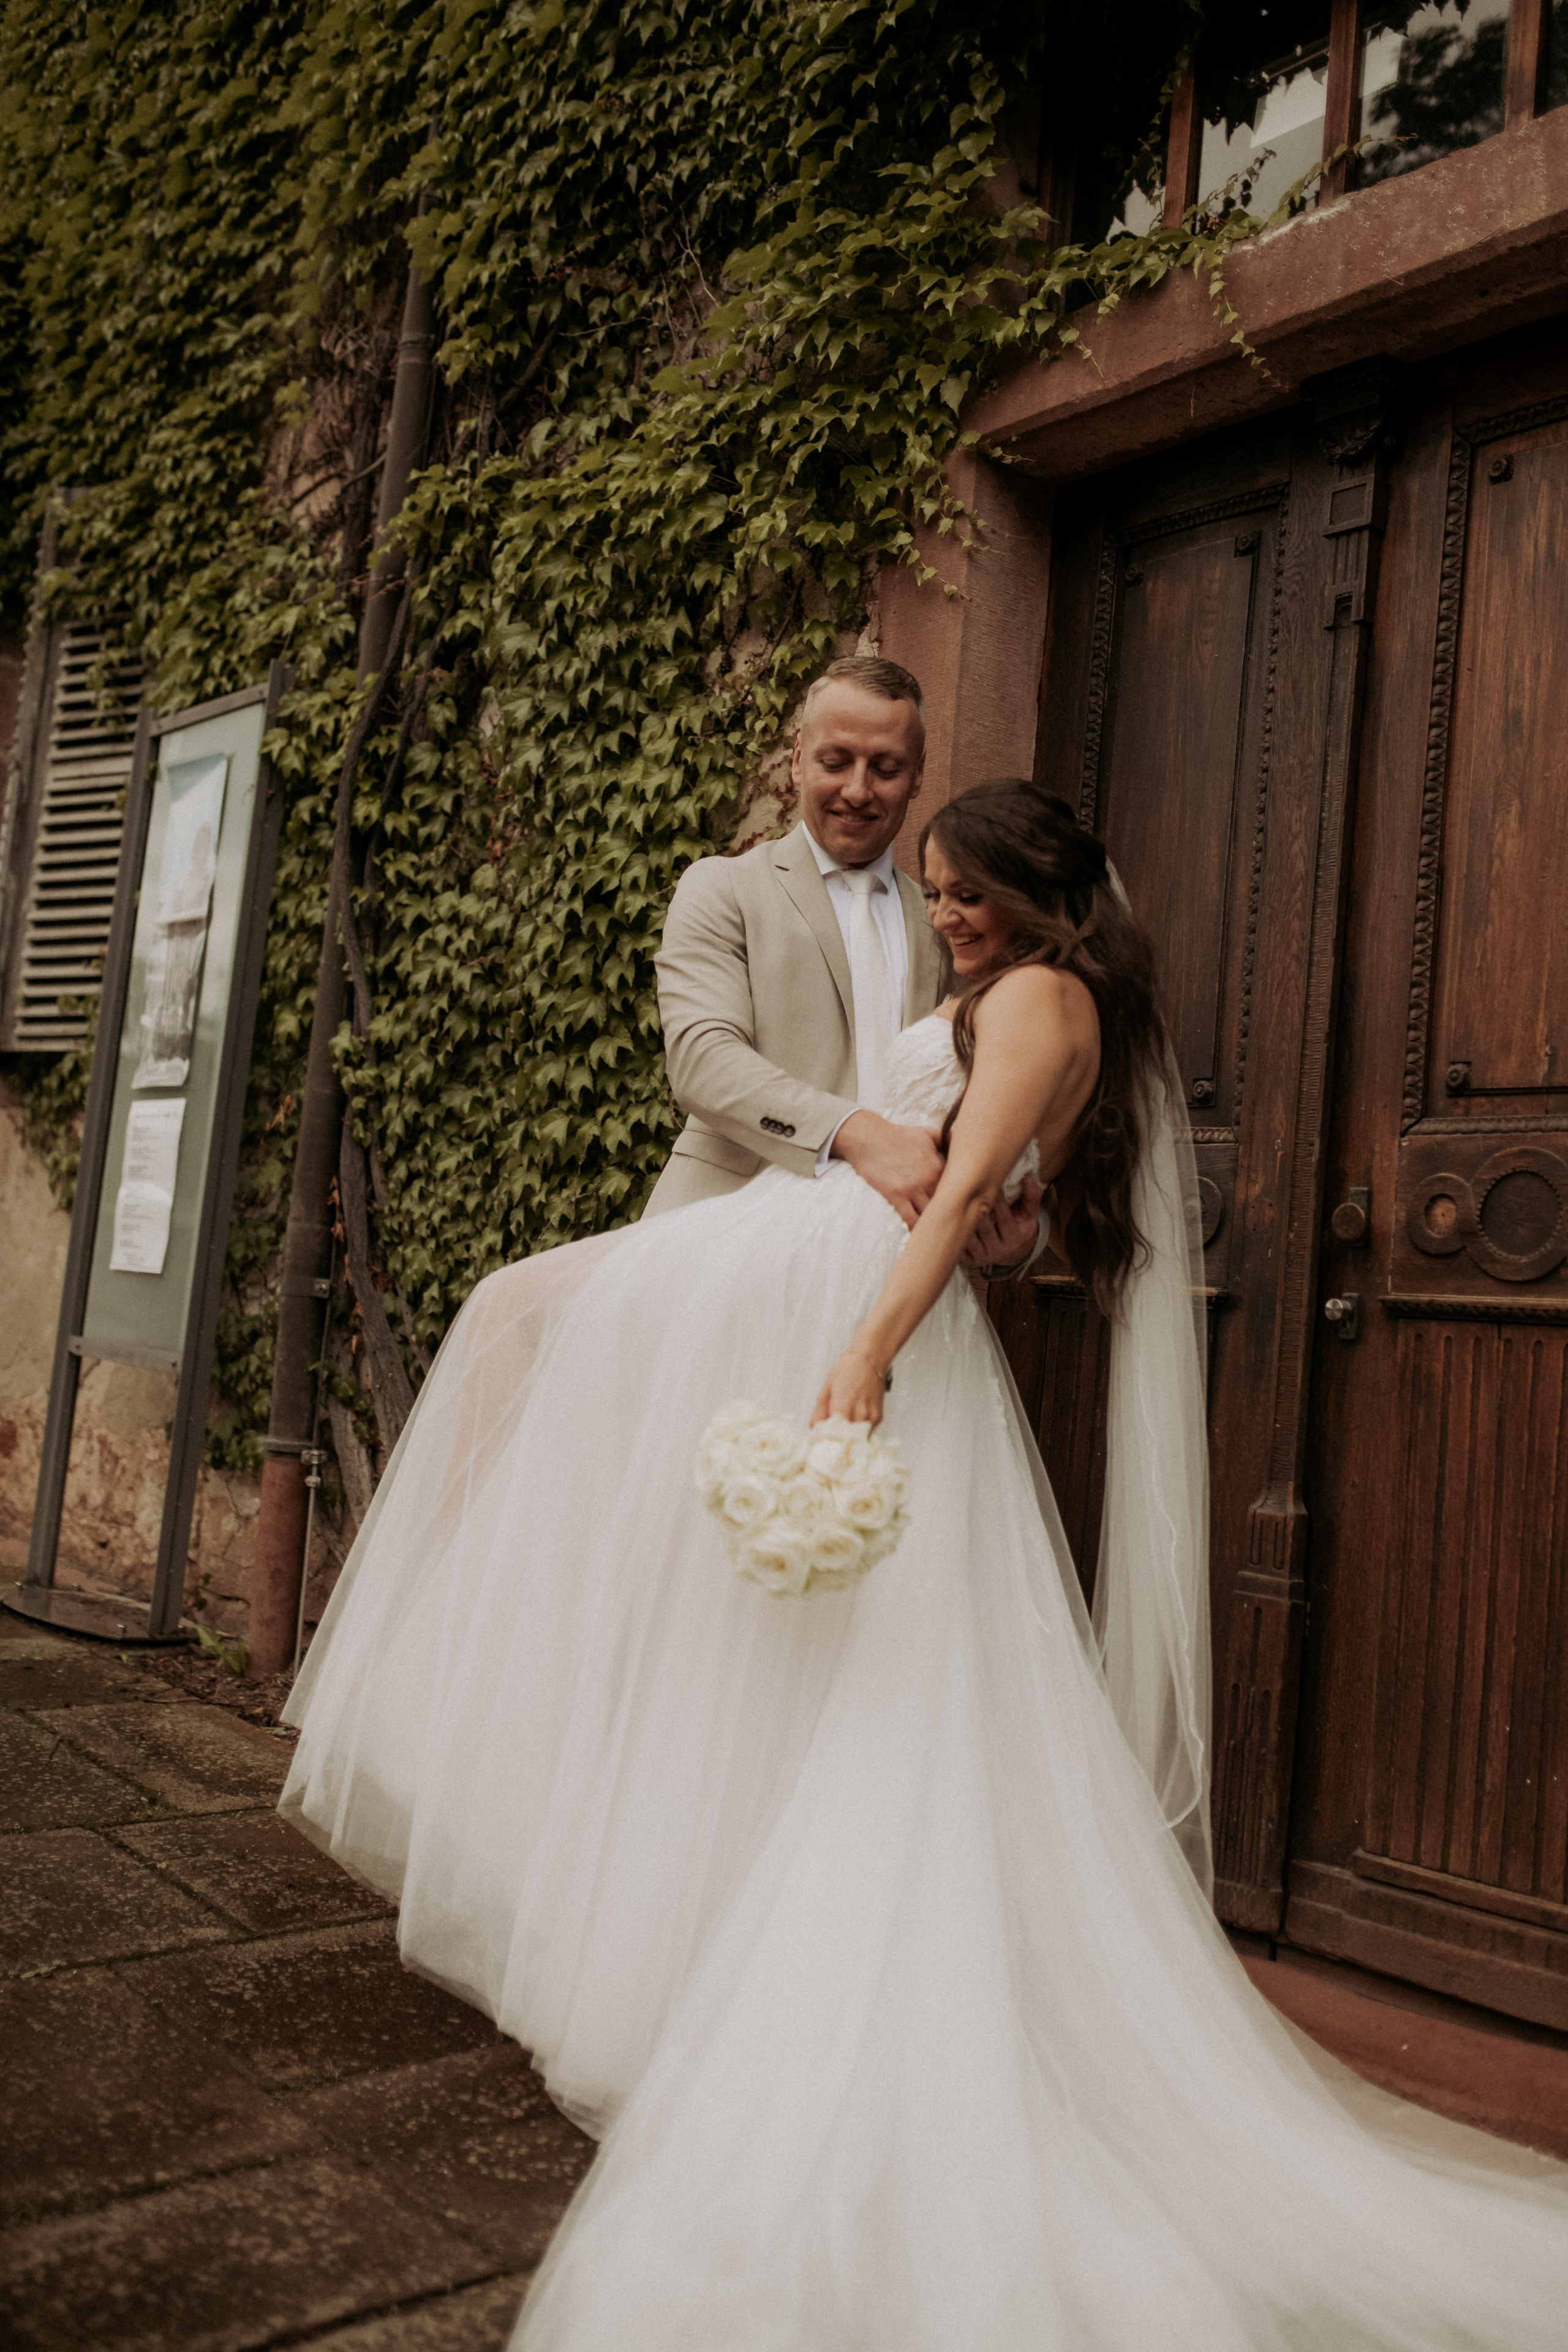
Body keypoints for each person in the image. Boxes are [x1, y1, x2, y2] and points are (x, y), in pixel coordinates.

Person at [281, 779, 1568, 2351]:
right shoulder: (1045, 1000)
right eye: (936, 890)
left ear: (1036, 890)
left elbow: (961, 1193)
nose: (944, 914)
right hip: (838, 1258)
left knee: (542, 1340)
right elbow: (1002, 1202)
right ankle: (668, 1911)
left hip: (851, 1286)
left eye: (966, 890)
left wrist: (865, 1348)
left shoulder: (1034, 995)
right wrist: (969, 1234)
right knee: (722, 1558)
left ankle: (615, 1828)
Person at [647, 652, 1045, 1273]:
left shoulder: (953, 926)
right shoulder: (722, 889)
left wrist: (1014, 1243)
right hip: (723, 1250)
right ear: (797, 760)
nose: (858, 791)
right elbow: (702, 1060)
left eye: (886, 768)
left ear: (918, 775)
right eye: (835, 762)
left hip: (893, 1268)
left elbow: (1002, 1097)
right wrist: (859, 1134)